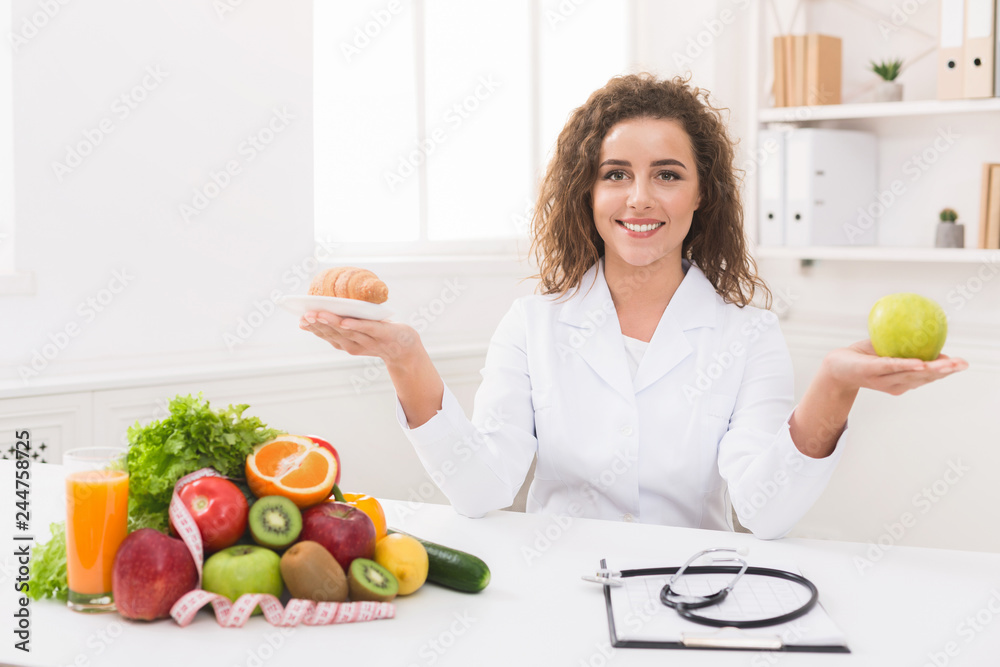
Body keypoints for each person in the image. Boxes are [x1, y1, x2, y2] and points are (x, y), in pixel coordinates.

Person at [299, 73, 967, 539]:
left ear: (703, 194)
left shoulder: (748, 336)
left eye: (667, 174)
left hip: (694, 604)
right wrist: (406, 360)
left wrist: (834, 386)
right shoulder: (532, 324)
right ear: (588, 192)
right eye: (615, 174)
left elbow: (764, 510)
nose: (639, 197)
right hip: (554, 590)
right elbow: (481, 489)